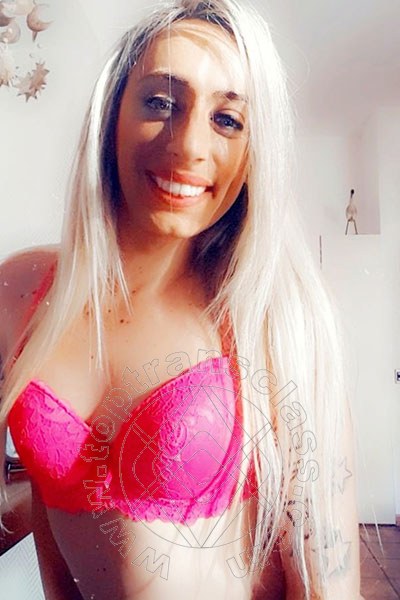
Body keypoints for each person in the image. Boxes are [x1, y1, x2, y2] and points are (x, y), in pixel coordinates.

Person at [0, 0, 363, 598]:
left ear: (256, 150)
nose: (190, 145)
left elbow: (327, 585)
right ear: (112, 114)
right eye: (162, 103)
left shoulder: (277, 319)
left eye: (228, 120)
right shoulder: (21, 289)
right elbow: (45, 499)